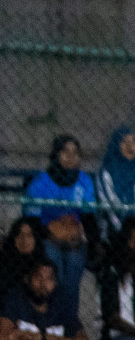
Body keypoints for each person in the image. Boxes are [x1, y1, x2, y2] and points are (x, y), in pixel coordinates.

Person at [25, 133, 96, 317]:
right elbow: (31, 222)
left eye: (75, 152)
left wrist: (79, 234)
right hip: (48, 237)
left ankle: (68, 323)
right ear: (56, 154)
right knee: (53, 268)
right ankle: (50, 319)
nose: (70, 156)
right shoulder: (41, 182)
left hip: (74, 238)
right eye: (65, 151)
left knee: (71, 278)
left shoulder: (84, 181)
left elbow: (89, 220)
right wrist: (53, 231)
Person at [0, 256, 93, 340]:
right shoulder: (15, 301)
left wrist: (42, 339)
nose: (43, 284)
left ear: (55, 283)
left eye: (49, 279)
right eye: (38, 277)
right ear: (27, 279)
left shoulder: (62, 306)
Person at [97, 126, 135, 241]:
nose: (130, 146)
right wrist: (123, 231)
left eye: (134, 142)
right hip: (113, 231)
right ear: (116, 145)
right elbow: (108, 206)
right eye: (124, 141)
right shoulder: (106, 172)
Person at [0, 216, 45, 297]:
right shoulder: (3, 260)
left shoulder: (43, 263)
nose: (24, 239)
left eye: (29, 235)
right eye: (19, 234)